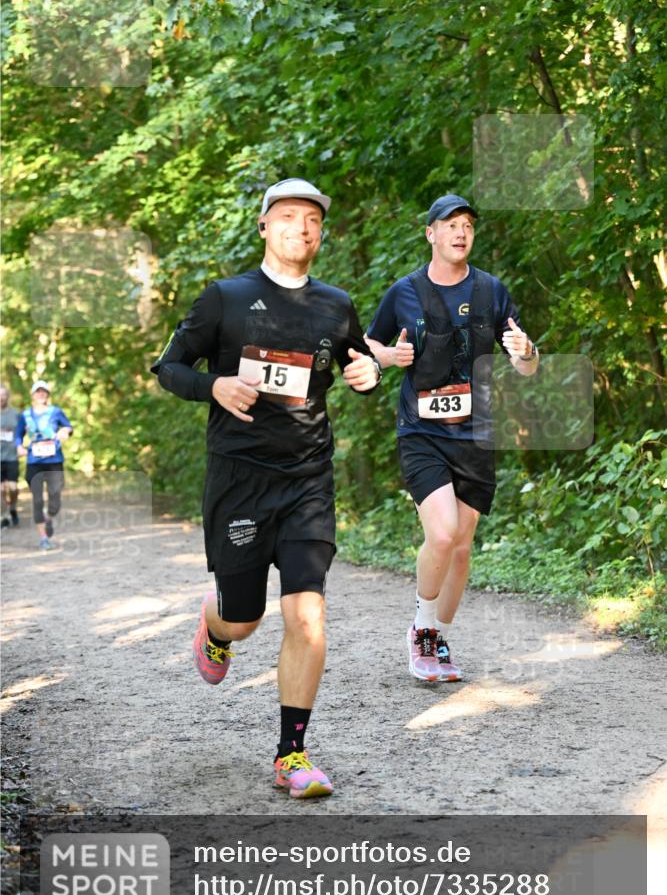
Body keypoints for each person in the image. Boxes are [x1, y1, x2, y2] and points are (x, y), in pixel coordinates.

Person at [151, 178, 380, 798]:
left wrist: (369, 371)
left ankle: (292, 754)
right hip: (240, 481)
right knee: (245, 619)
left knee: (308, 614)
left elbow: (358, 361)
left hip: (308, 479)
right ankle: (216, 623)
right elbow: (169, 366)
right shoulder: (225, 298)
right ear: (263, 226)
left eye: (312, 219)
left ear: (321, 233)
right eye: (287, 217)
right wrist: (213, 387)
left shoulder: (335, 304)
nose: (301, 228)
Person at [365, 193, 538, 683]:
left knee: (461, 547)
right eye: (450, 224)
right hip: (421, 430)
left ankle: (439, 635)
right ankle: (420, 630)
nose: (461, 232)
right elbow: (371, 345)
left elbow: (525, 365)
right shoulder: (404, 292)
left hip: (477, 433)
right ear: (431, 234)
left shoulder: (491, 291)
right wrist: (387, 358)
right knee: (440, 534)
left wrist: (528, 352)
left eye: (467, 225)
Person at [15, 381, 73, 551]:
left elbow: (68, 426)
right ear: (32, 395)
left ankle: (49, 518)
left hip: (54, 461)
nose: (41, 394)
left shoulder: (56, 411)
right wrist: (19, 446)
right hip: (34, 463)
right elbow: (18, 435)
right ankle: (43, 538)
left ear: (47, 394)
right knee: (38, 500)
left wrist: (65, 431)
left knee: (55, 501)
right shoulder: (25, 415)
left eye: (44, 392)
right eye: (37, 392)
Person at [1, 385, 21, 530]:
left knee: (13, 488)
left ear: (7, 397)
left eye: (3, 395)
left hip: (12, 456)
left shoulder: (15, 414)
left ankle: (13, 508)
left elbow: (23, 431)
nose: (1, 398)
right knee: (1, 489)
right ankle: (4, 515)